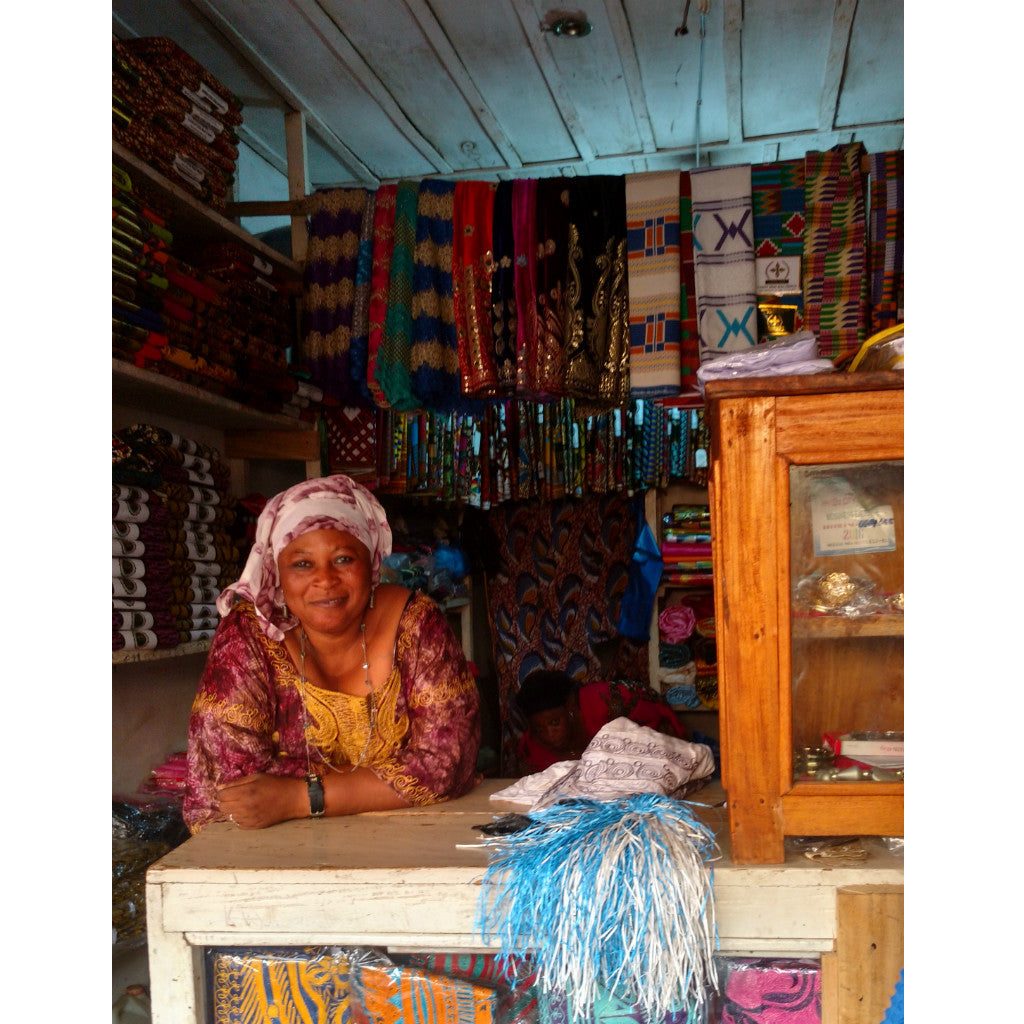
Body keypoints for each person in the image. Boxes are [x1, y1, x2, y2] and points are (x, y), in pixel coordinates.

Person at [183, 474, 481, 833]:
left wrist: (299, 797)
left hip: (412, 838)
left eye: (342, 559)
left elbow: (448, 762)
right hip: (275, 853)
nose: (325, 579)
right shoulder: (249, 635)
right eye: (302, 564)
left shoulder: (417, 624)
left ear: (369, 564)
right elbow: (234, 788)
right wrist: (385, 783)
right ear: (277, 572)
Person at [515, 664, 687, 774]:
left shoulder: (610, 704)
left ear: (570, 707)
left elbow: (659, 727)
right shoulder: (530, 749)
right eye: (539, 729)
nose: (548, 735)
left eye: (554, 723)